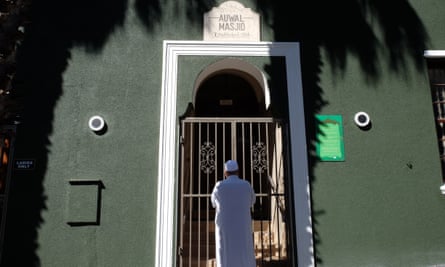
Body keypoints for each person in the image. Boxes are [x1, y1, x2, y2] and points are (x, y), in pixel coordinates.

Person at [211, 160, 256, 267]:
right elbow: (252, 201)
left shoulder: (219, 186)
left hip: (225, 227)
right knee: (244, 251)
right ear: (238, 172)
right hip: (242, 226)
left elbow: (213, 203)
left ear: (225, 173)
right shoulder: (246, 185)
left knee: (225, 251)